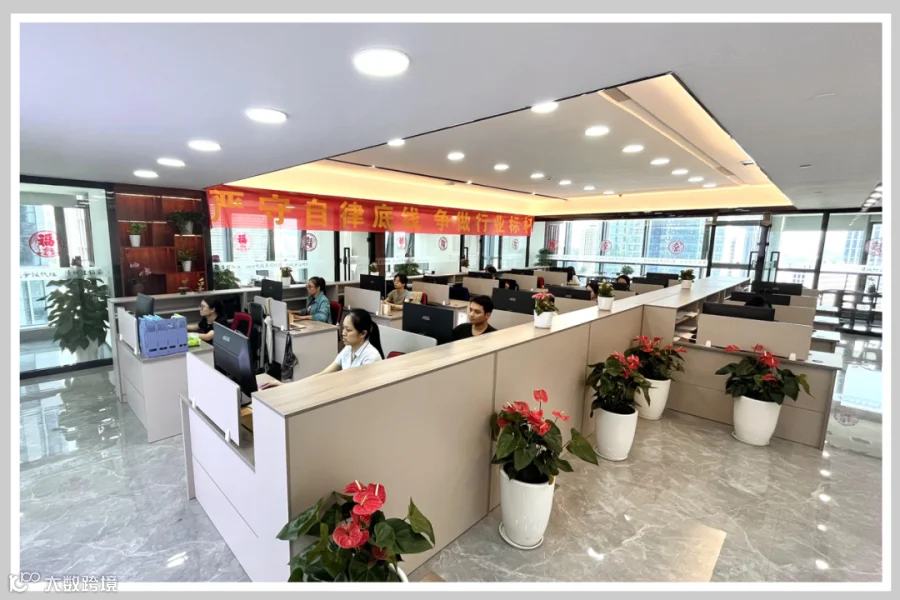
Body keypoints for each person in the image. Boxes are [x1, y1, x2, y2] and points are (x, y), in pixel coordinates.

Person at [316, 309, 384, 374]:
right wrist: (312, 379)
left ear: (363, 334)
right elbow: (327, 372)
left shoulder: (371, 358)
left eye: (348, 330)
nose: (343, 333)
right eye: (343, 328)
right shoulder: (349, 347)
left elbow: (357, 381)